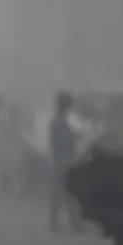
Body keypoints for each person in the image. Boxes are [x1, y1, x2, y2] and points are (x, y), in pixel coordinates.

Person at [48, 91, 82, 231]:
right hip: (63, 162)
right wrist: (75, 137)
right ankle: (68, 223)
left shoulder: (58, 121)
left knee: (64, 195)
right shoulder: (59, 122)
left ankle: (64, 223)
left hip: (60, 162)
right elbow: (63, 141)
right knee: (66, 194)